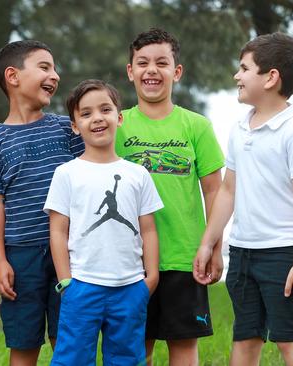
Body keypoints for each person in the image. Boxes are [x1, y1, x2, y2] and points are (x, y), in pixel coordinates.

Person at [194, 32, 293, 366]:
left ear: (271, 77)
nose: (237, 75)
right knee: (245, 337)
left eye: (244, 68)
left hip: (284, 254)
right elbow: (228, 191)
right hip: (243, 252)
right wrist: (209, 242)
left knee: (289, 339)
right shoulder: (239, 128)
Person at [0, 40, 84, 365]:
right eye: (45, 67)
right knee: (23, 341)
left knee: (68, 338)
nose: (55, 75)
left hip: (71, 251)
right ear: (13, 76)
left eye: (55, 68)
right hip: (21, 256)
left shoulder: (68, 130)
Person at [114, 28, 225, 365]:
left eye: (162, 63)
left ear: (176, 72)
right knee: (136, 347)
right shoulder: (117, 125)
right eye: (143, 63)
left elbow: (215, 191)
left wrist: (215, 247)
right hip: (129, 260)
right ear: (130, 71)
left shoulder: (197, 126)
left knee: (184, 346)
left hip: (184, 256)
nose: (152, 70)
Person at [45, 79, 163, 365]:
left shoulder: (137, 174)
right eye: (85, 114)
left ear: (118, 118)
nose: (97, 118)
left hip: (130, 286)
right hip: (82, 286)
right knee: (72, 358)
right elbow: (58, 232)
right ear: (75, 126)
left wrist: (151, 278)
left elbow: (147, 228)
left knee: (126, 359)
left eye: (105, 109)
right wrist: (65, 282)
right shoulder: (67, 173)